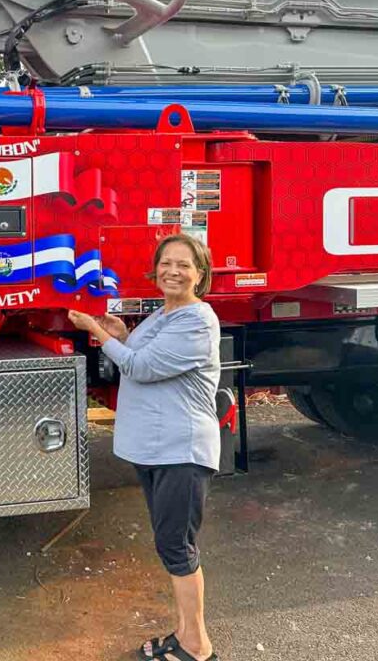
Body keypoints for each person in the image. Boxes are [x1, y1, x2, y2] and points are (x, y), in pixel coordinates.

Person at [68, 233, 221, 661]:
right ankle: (184, 632)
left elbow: (142, 366)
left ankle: (197, 645)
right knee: (169, 543)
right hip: (157, 450)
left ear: (200, 274)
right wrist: (121, 333)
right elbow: (139, 350)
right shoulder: (163, 315)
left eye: (184, 265)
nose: (173, 271)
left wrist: (97, 331)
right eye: (166, 263)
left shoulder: (197, 320)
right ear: (155, 270)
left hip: (181, 451)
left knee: (177, 545)